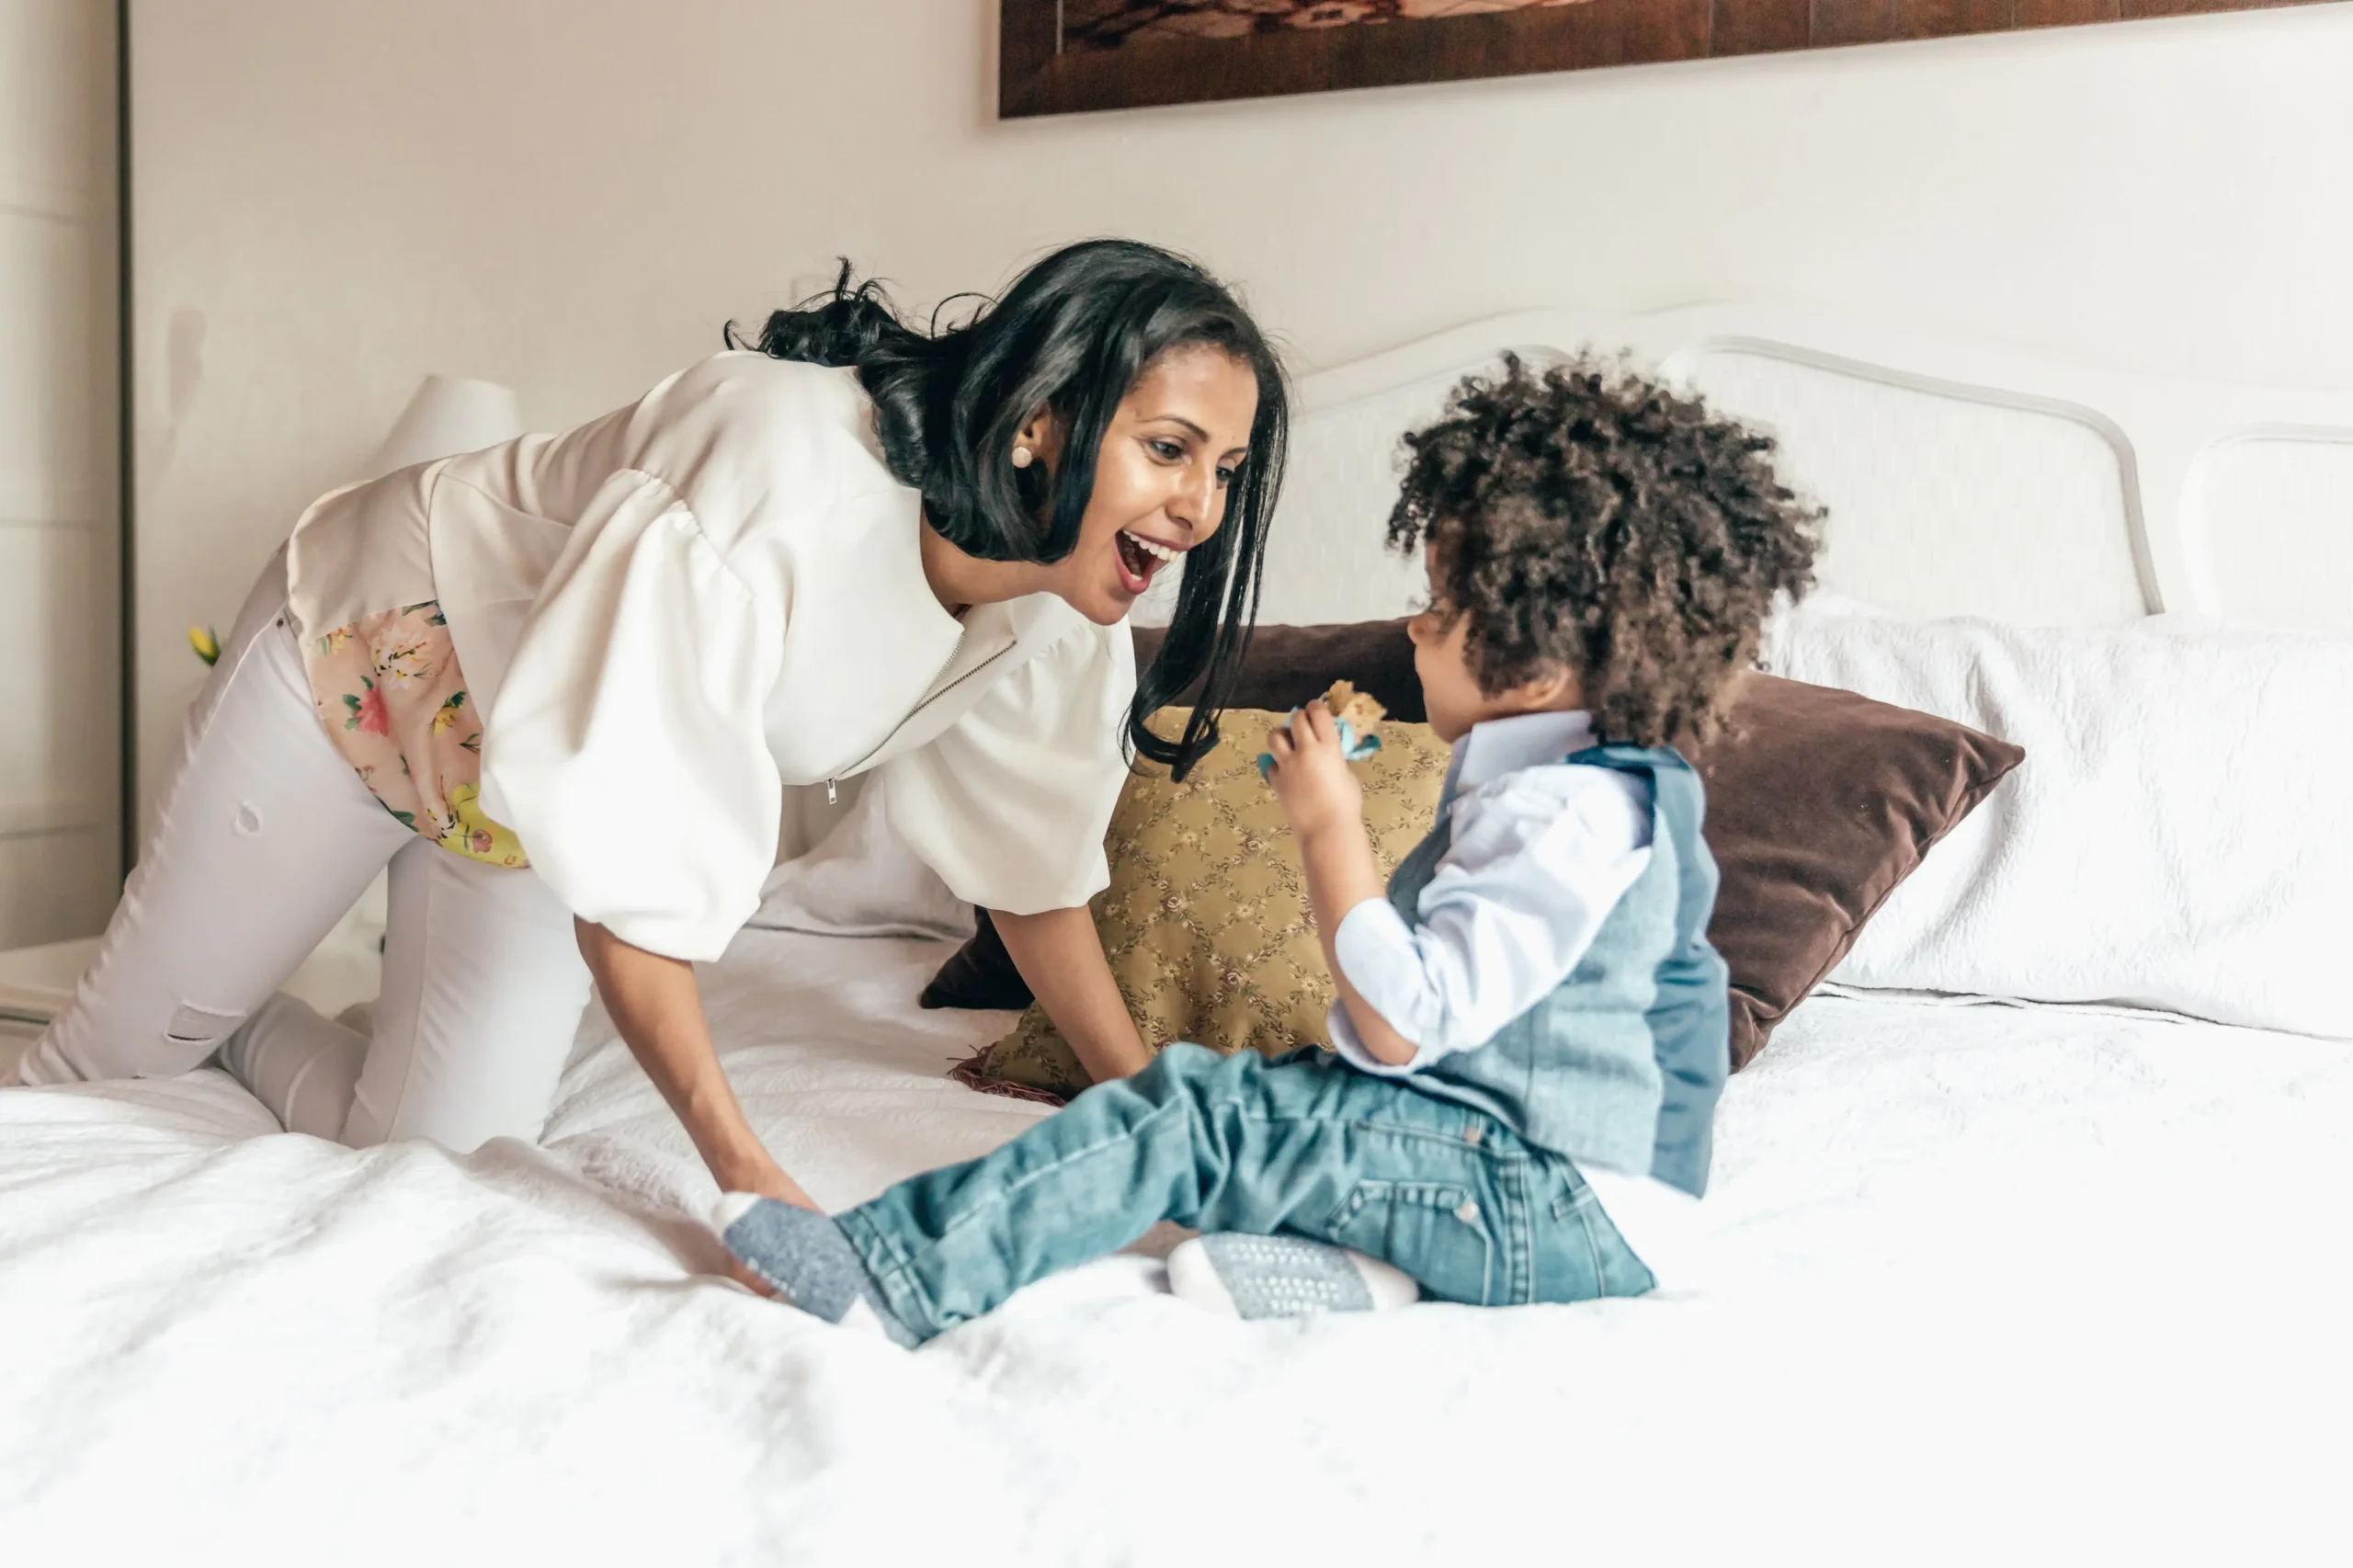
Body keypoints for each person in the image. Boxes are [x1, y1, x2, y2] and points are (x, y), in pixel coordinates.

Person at [16, 240, 1289, 1218]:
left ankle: (230, 1015)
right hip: (373, 663)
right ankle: (190, 1009)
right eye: (1171, 449)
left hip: (533, 805)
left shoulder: (1055, 616)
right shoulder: (779, 469)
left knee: (433, 1163)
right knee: (103, 1071)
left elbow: (1035, 884)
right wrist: (742, 1168)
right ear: (1043, 419)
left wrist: (1152, 1100)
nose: (1197, 506)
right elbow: (639, 909)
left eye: (1224, 472)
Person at [716, 354, 1819, 1342]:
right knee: (1280, 1095)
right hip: (1542, 1192)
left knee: (1195, 1113)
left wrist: (1329, 822)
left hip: (1545, 1208)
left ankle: (887, 1271)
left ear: (1538, 661)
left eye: (1442, 608)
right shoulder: (1589, 782)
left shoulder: (1560, 815)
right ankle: (1370, 1272)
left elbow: (1399, 1023)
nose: (1414, 630)